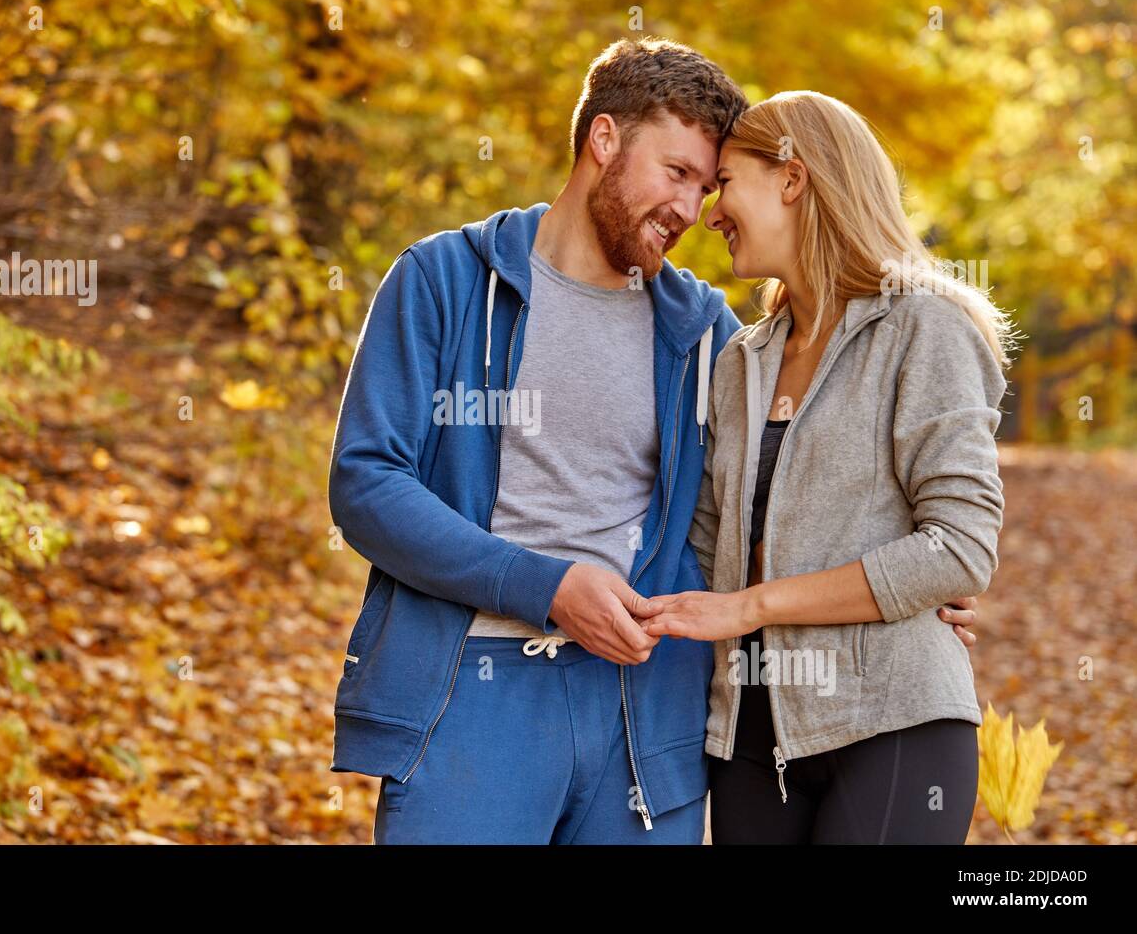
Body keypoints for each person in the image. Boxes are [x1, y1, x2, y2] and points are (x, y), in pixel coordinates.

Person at [328, 41, 978, 845]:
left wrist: (909, 592)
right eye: (677, 174)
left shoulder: (706, 332)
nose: (694, 209)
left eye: (709, 185)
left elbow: (757, 505)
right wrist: (545, 586)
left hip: (645, 717)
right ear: (604, 140)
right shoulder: (447, 282)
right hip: (471, 693)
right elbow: (366, 484)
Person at [641, 90, 1014, 843]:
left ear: (792, 178)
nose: (710, 213)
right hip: (748, 739)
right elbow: (710, 551)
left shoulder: (923, 329)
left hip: (893, 722)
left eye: (723, 184)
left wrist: (756, 605)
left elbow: (959, 547)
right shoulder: (741, 362)